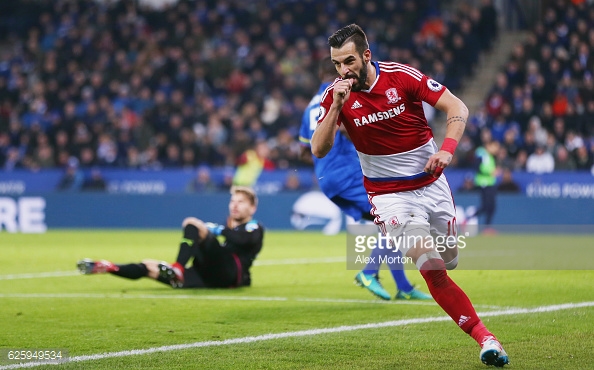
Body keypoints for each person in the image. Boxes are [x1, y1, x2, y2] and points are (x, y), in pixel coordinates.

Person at [311, 24, 508, 367]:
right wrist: (336, 107)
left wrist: (447, 150)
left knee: (449, 259)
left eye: (349, 61)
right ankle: (485, 337)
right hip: (389, 198)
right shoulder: (335, 95)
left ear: (366, 56)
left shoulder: (401, 77)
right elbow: (318, 148)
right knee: (431, 268)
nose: (343, 70)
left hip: (431, 184)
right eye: (337, 64)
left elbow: (456, 106)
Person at [299, 57, 431, 301]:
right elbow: (351, 131)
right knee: (398, 217)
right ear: (339, 73)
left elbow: (303, 150)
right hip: (348, 173)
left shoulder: (311, 105)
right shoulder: (340, 98)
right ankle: (369, 272)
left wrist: (325, 163)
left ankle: (403, 287)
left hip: (327, 178)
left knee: (390, 222)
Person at [77, 186, 264, 289]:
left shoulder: (254, 227)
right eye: (232, 201)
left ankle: (178, 268)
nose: (234, 205)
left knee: (192, 223)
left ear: (252, 208)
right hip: (207, 277)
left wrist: (216, 230)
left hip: (229, 272)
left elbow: (244, 240)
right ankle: (110, 267)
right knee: (150, 267)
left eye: (241, 202)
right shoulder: (229, 226)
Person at [471, 140, 500, 229]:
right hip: (483, 183)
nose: (497, 149)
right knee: (486, 206)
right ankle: (468, 219)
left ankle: (488, 227)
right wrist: (490, 172)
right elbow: (477, 167)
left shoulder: (490, 156)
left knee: (492, 207)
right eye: (495, 146)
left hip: (491, 183)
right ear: (488, 145)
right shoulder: (481, 153)